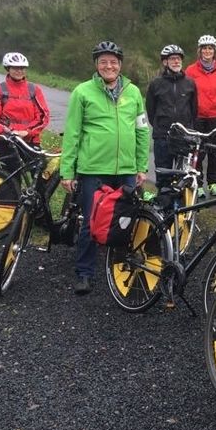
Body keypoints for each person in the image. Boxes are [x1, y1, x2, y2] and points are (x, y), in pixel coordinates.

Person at [60, 41, 149, 295]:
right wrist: (68, 170)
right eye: (103, 62)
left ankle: (119, 267)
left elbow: (142, 131)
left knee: (125, 220)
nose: (108, 66)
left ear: (120, 65)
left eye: (113, 62)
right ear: (96, 65)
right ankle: (84, 273)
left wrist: (141, 165)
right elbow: (73, 134)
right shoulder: (83, 92)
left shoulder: (133, 93)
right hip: (94, 169)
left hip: (127, 169)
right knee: (91, 220)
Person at [0, 52, 50, 171]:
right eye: (15, 68)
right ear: (8, 69)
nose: (19, 71)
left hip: (30, 140)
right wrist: (9, 132)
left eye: (22, 68)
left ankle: (33, 190)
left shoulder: (34, 90)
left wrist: (27, 132)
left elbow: (43, 116)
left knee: (41, 172)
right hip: (6, 141)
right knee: (12, 176)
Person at [145, 44, 197, 191]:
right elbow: (151, 110)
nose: (176, 62)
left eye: (179, 59)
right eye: (172, 59)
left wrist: (188, 130)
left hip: (184, 137)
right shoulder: (156, 84)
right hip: (163, 136)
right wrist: (161, 126)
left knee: (183, 176)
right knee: (163, 175)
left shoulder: (190, 83)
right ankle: (163, 205)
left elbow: (194, 110)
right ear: (165, 62)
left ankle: (180, 209)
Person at [185, 34, 216, 196]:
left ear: (214, 51)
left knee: (214, 151)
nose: (207, 51)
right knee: (197, 151)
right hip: (197, 117)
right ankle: (198, 183)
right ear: (199, 51)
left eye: (210, 48)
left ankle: (214, 183)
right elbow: (186, 95)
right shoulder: (190, 71)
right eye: (204, 48)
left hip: (215, 117)